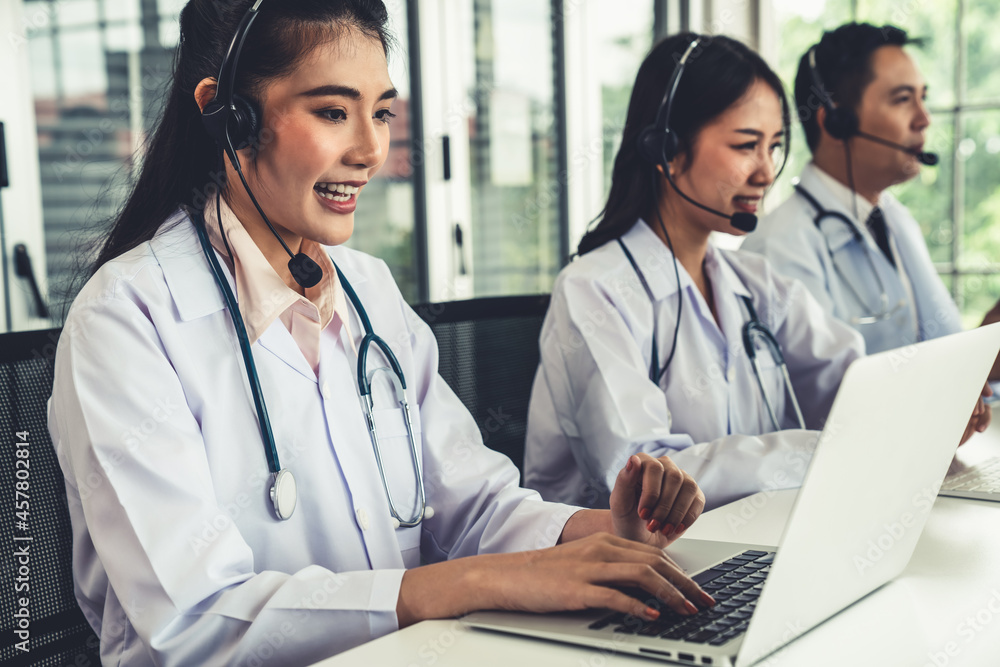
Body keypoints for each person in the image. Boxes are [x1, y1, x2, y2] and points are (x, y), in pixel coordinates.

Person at [47, 2, 715, 664]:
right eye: (333, 111)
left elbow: (473, 506)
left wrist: (597, 533)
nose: (371, 150)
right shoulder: (125, 320)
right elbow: (191, 621)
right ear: (229, 117)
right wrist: (471, 583)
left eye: (382, 112)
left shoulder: (368, 291)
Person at [523, 33, 866, 514]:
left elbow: (852, 379)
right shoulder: (594, 290)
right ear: (667, 149)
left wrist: (922, 410)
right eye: (748, 145)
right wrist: (813, 452)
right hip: (629, 563)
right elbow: (646, 475)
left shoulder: (754, 284)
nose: (766, 172)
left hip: (744, 541)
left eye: (775, 146)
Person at [740, 22, 991, 437]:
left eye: (923, 99)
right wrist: (935, 408)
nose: (924, 119)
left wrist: (986, 358)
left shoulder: (895, 218)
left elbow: (944, 350)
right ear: (836, 121)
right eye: (902, 100)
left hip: (923, 463)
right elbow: (828, 407)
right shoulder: (778, 248)